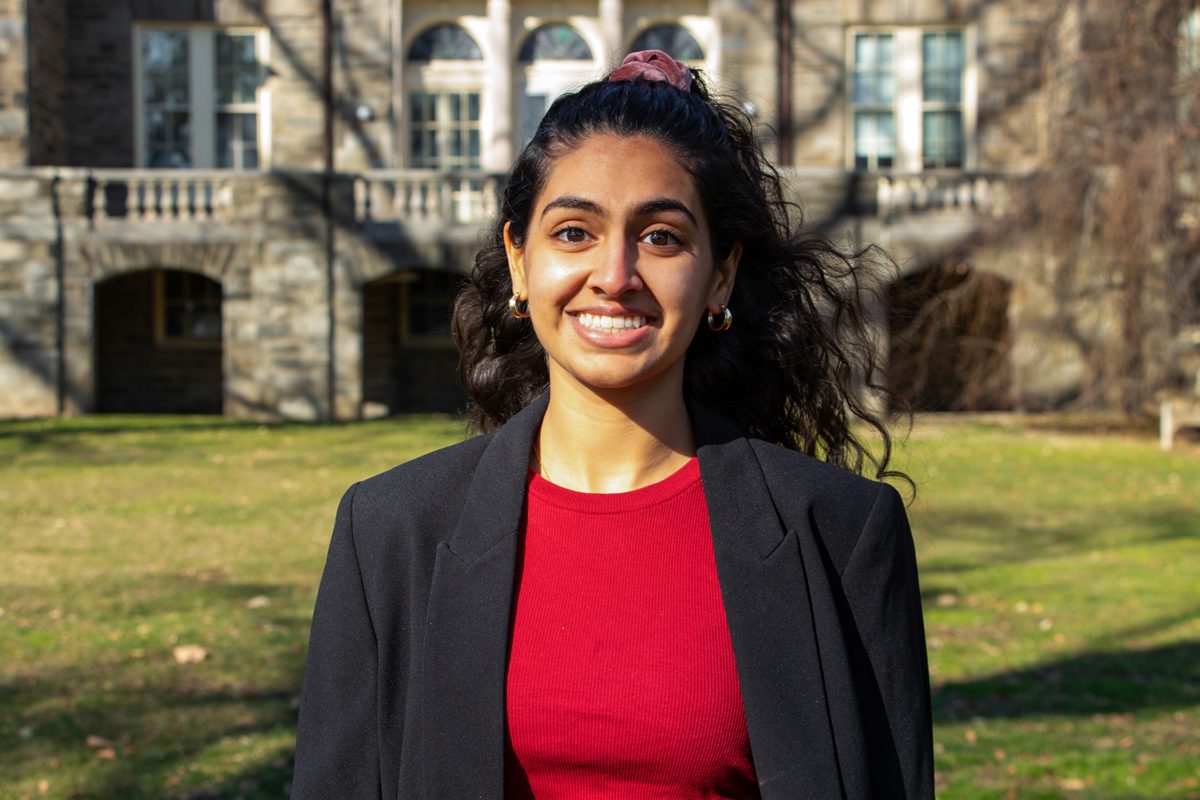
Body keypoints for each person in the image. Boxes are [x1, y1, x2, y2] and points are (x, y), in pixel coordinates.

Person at [292, 50, 934, 799]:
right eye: (573, 233)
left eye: (661, 237)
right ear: (520, 260)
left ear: (720, 274)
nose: (615, 273)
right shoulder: (390, 530)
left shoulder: (842, 532)